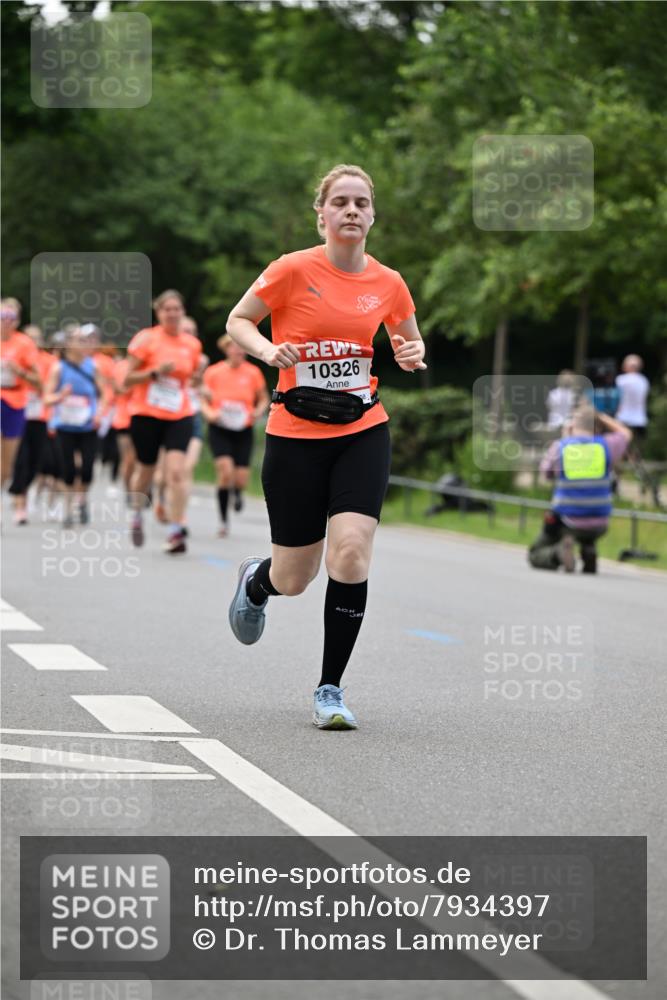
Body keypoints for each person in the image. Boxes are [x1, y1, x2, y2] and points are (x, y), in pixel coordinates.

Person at [226, 164, 426, 730]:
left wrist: (409, 354)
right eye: (340, 202)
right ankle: (257, 581)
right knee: (295, 577)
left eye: (361, 203)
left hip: (362, 429)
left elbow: (408, 338)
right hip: (294, 434)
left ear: (372, 215)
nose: (352, 211)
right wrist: (267, 352)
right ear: (322, 214)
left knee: (352, 552)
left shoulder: (388, 282)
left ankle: (330, 689)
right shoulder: (292, 269)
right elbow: (239, 320)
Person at [124, 290, 202, 554]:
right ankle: (136, 514)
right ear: (158, 312)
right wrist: (155, 372)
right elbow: (126, 379)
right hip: (146, 413)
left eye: (176, 309)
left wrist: (199, 382)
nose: (172, 313)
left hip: (179, 414)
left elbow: (190, 379)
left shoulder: (191, 344)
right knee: (146, 469)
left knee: (177, 472)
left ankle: (176, 530)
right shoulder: (146, 339)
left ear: (182, 311)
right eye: (167, 309)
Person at [528, 405, 632, 574]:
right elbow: (626, 434)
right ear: (597, 427)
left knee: (536, 553)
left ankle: (558, 553)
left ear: (572, 425)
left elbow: (546, 473)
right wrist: (603, 417)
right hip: (600, 523)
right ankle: (588, 550)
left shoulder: (561, 447)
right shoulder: (606, 445)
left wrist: (564, 437)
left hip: (568, 521)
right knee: (587, 530)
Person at [202, 334, 269, 536]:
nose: (238, 351)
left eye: (242, 348)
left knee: (240, 479)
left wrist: (258, 410)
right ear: (226, 349)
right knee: (225, 472)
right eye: (234, 347)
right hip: (220, 428)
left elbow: (263, 398)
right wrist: (209, 413)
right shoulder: (214, 372)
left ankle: (238, 492)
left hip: (243, 429)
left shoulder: (253, 373)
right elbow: (202, 398)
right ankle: (223, 522)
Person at [43, 325, 103, 527]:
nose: (85, 344)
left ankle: (82, 500)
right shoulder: (58, 368)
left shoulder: (93, 367)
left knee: (87, 469)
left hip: (88, 425)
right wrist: (60, 397)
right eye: (79, 340)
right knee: (68, 470)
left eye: (85, 340)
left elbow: (103, 393)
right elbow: (47, 398)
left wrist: (99, 414)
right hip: (65, 425)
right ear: (68, 344)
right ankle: (68, 510)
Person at [8, 325, 56, 524]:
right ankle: (21, 505)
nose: (31, 342)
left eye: (36, 338)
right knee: (21, 461)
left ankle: (20, 492)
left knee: (36, 463)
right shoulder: (11, 355)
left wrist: (22, 373)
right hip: (18, 412)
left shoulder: (50, 362)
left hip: (40, 416)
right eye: (28, 338)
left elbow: (46, 388)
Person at [1, 298, 40, 490]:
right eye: (3, 316)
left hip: (15, 402)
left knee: (5, 469)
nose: (7, 321)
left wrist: (20, 372)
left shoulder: (24, 344)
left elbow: (38, 380)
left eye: (12, 317)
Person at [616, 354, 650, 442]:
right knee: (638, 445)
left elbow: (617, 400)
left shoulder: (620, 380)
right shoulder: (644, 381)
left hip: (622, 418)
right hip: (640, 418)